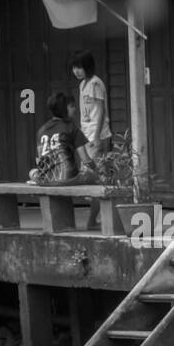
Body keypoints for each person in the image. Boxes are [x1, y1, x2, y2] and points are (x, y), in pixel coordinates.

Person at [72, 50, 111, 228]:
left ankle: (92, 220)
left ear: (87, 67)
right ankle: (95, 218)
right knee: (89, 178)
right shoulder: (82, 85)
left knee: (97, 178)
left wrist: (96, 135)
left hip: (96, 136)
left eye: (79, 67)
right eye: (74, 68)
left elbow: (101, 110)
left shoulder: (96, 83)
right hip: (85, 135)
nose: (76, 71)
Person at [29, 92, 89, 185]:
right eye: (72, 106)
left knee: (32, 171)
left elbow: (38, 161)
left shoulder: (41, 130)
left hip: (45, 180)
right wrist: (99, 172)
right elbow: (86, 160)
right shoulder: (71, 127)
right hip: (68, 178)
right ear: (63, 109)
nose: (75, 109)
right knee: (90, 174)